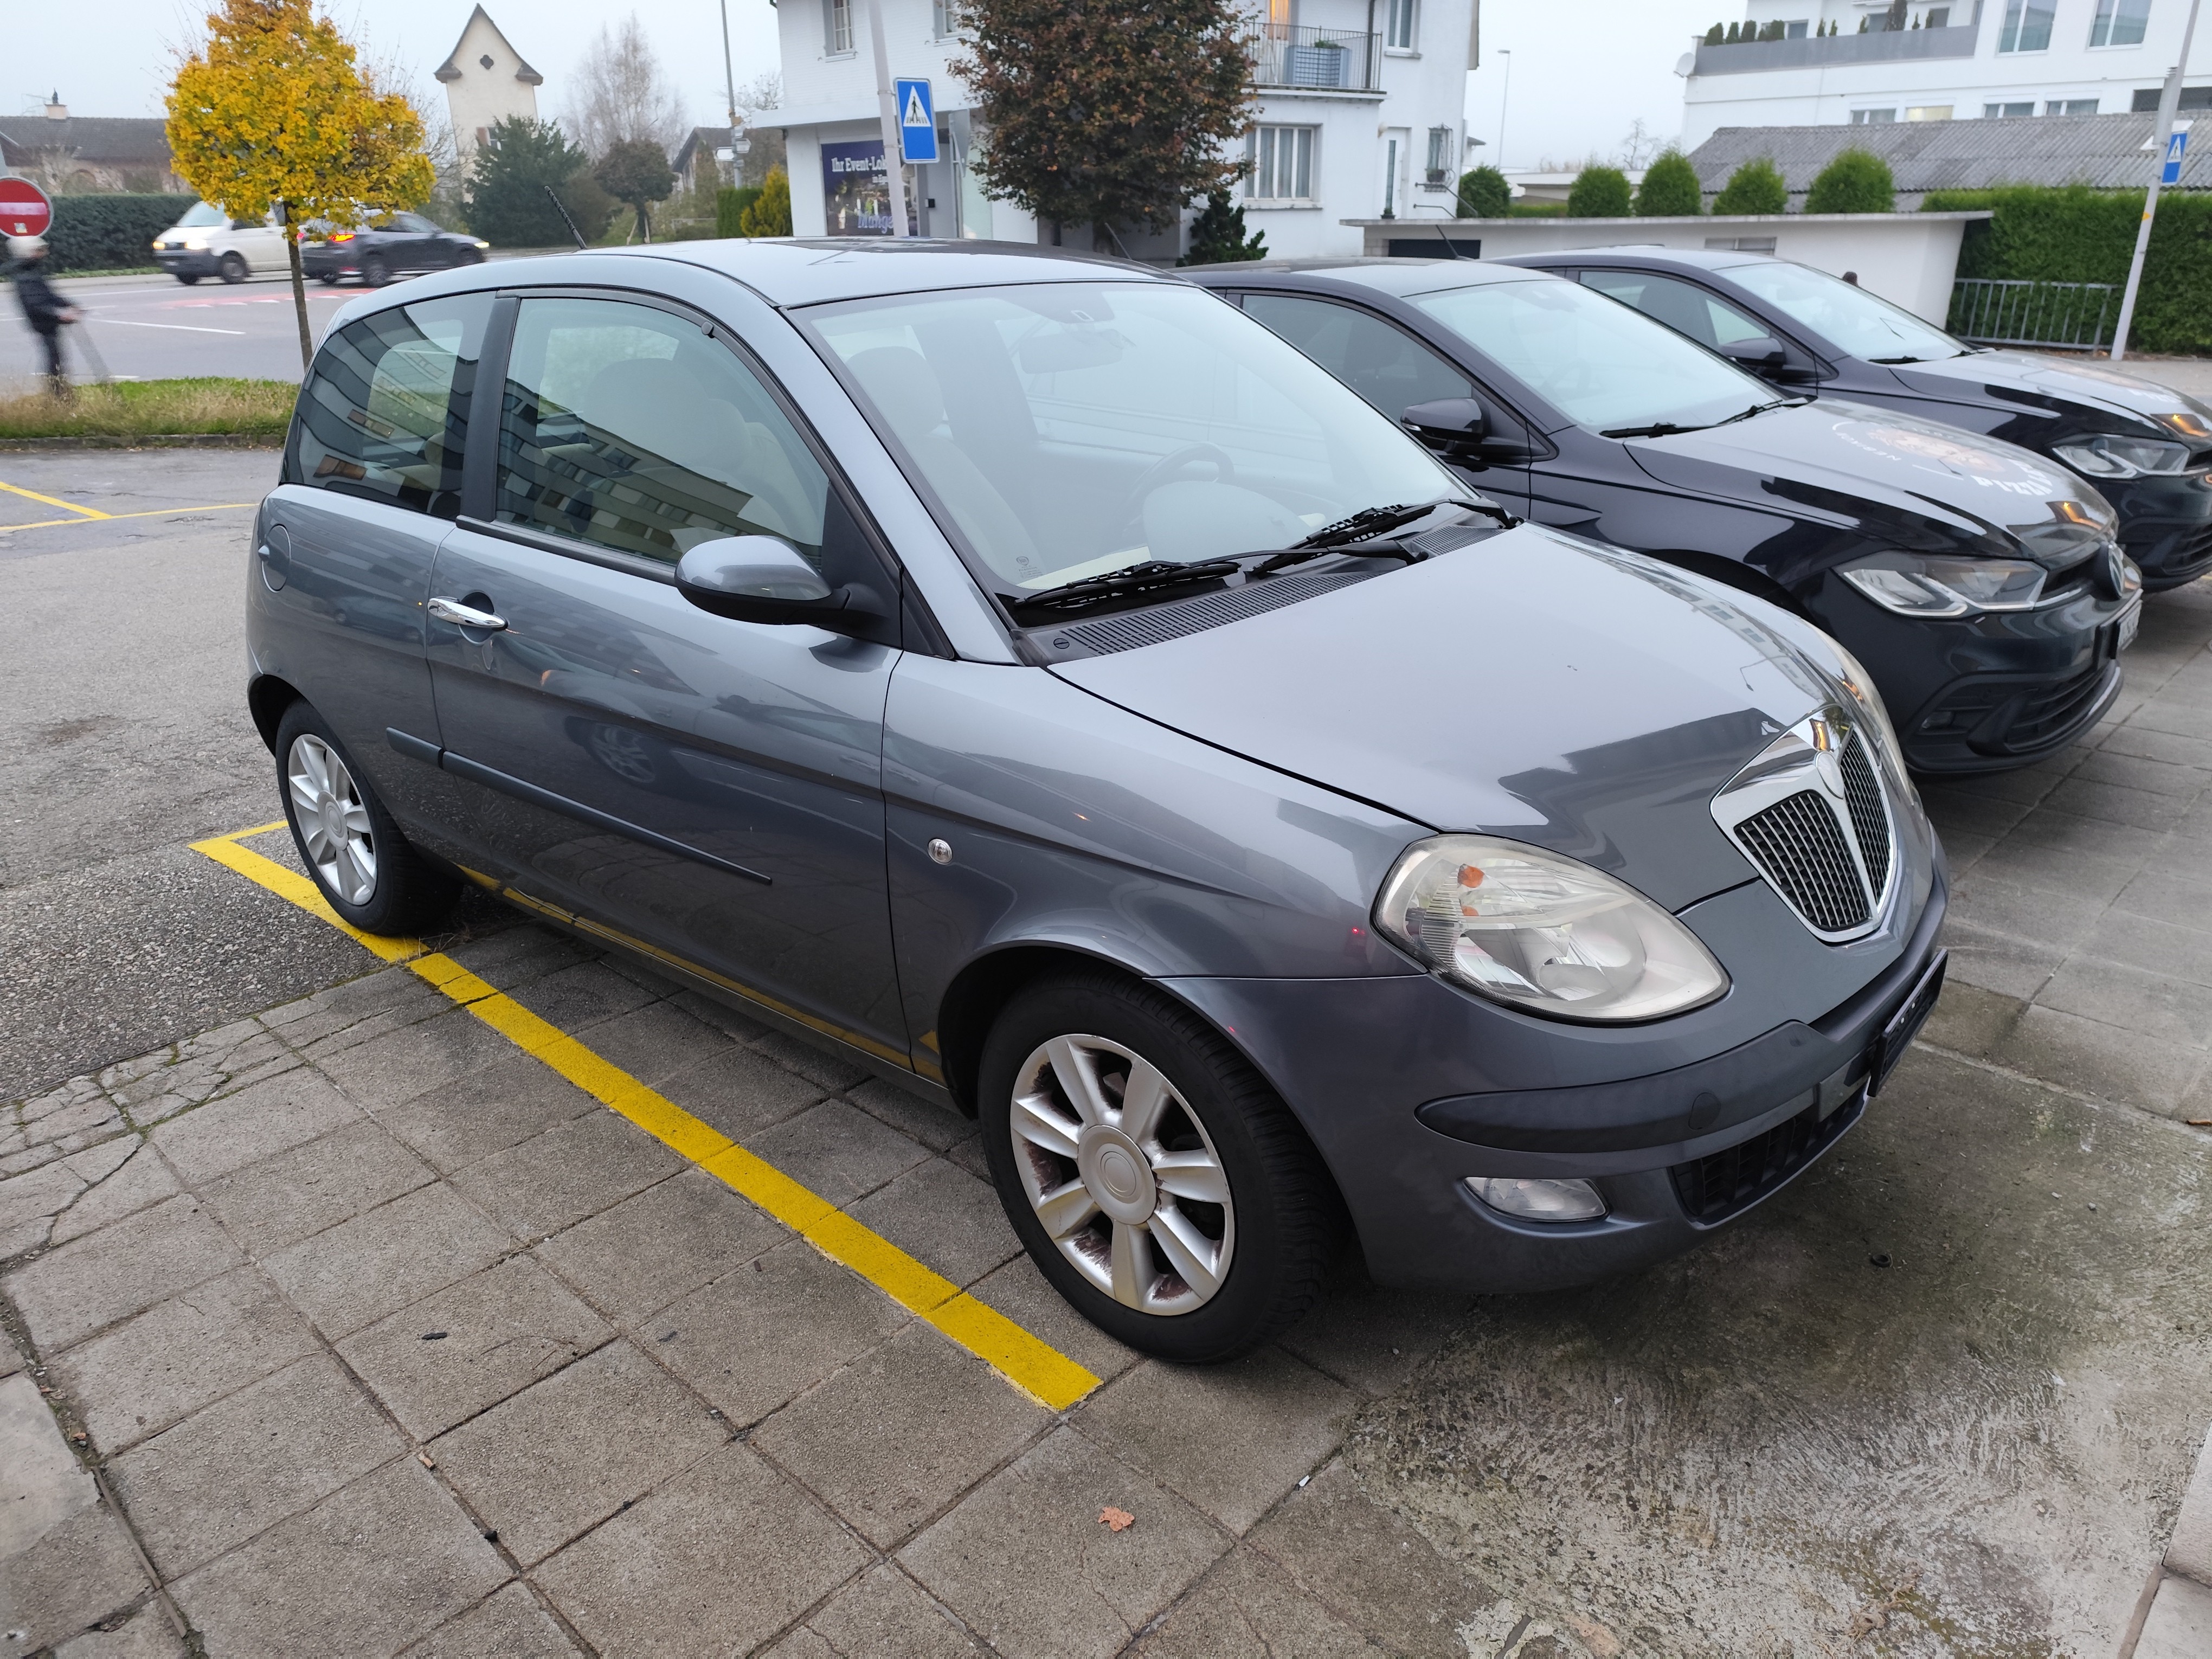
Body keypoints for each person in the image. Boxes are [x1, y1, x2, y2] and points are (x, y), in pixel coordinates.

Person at [9, 235, 80, 396]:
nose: (44, 254)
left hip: (47, 322)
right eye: (39, 250)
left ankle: (59, 391)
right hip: (43, 323)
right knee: (53, 358)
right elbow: (36, 304)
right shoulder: (26, 277)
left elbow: (49, 296)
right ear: (28, 252)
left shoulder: (30, 273)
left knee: (56, 357)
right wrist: (60, 315)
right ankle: (57, 393)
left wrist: (68, 305)